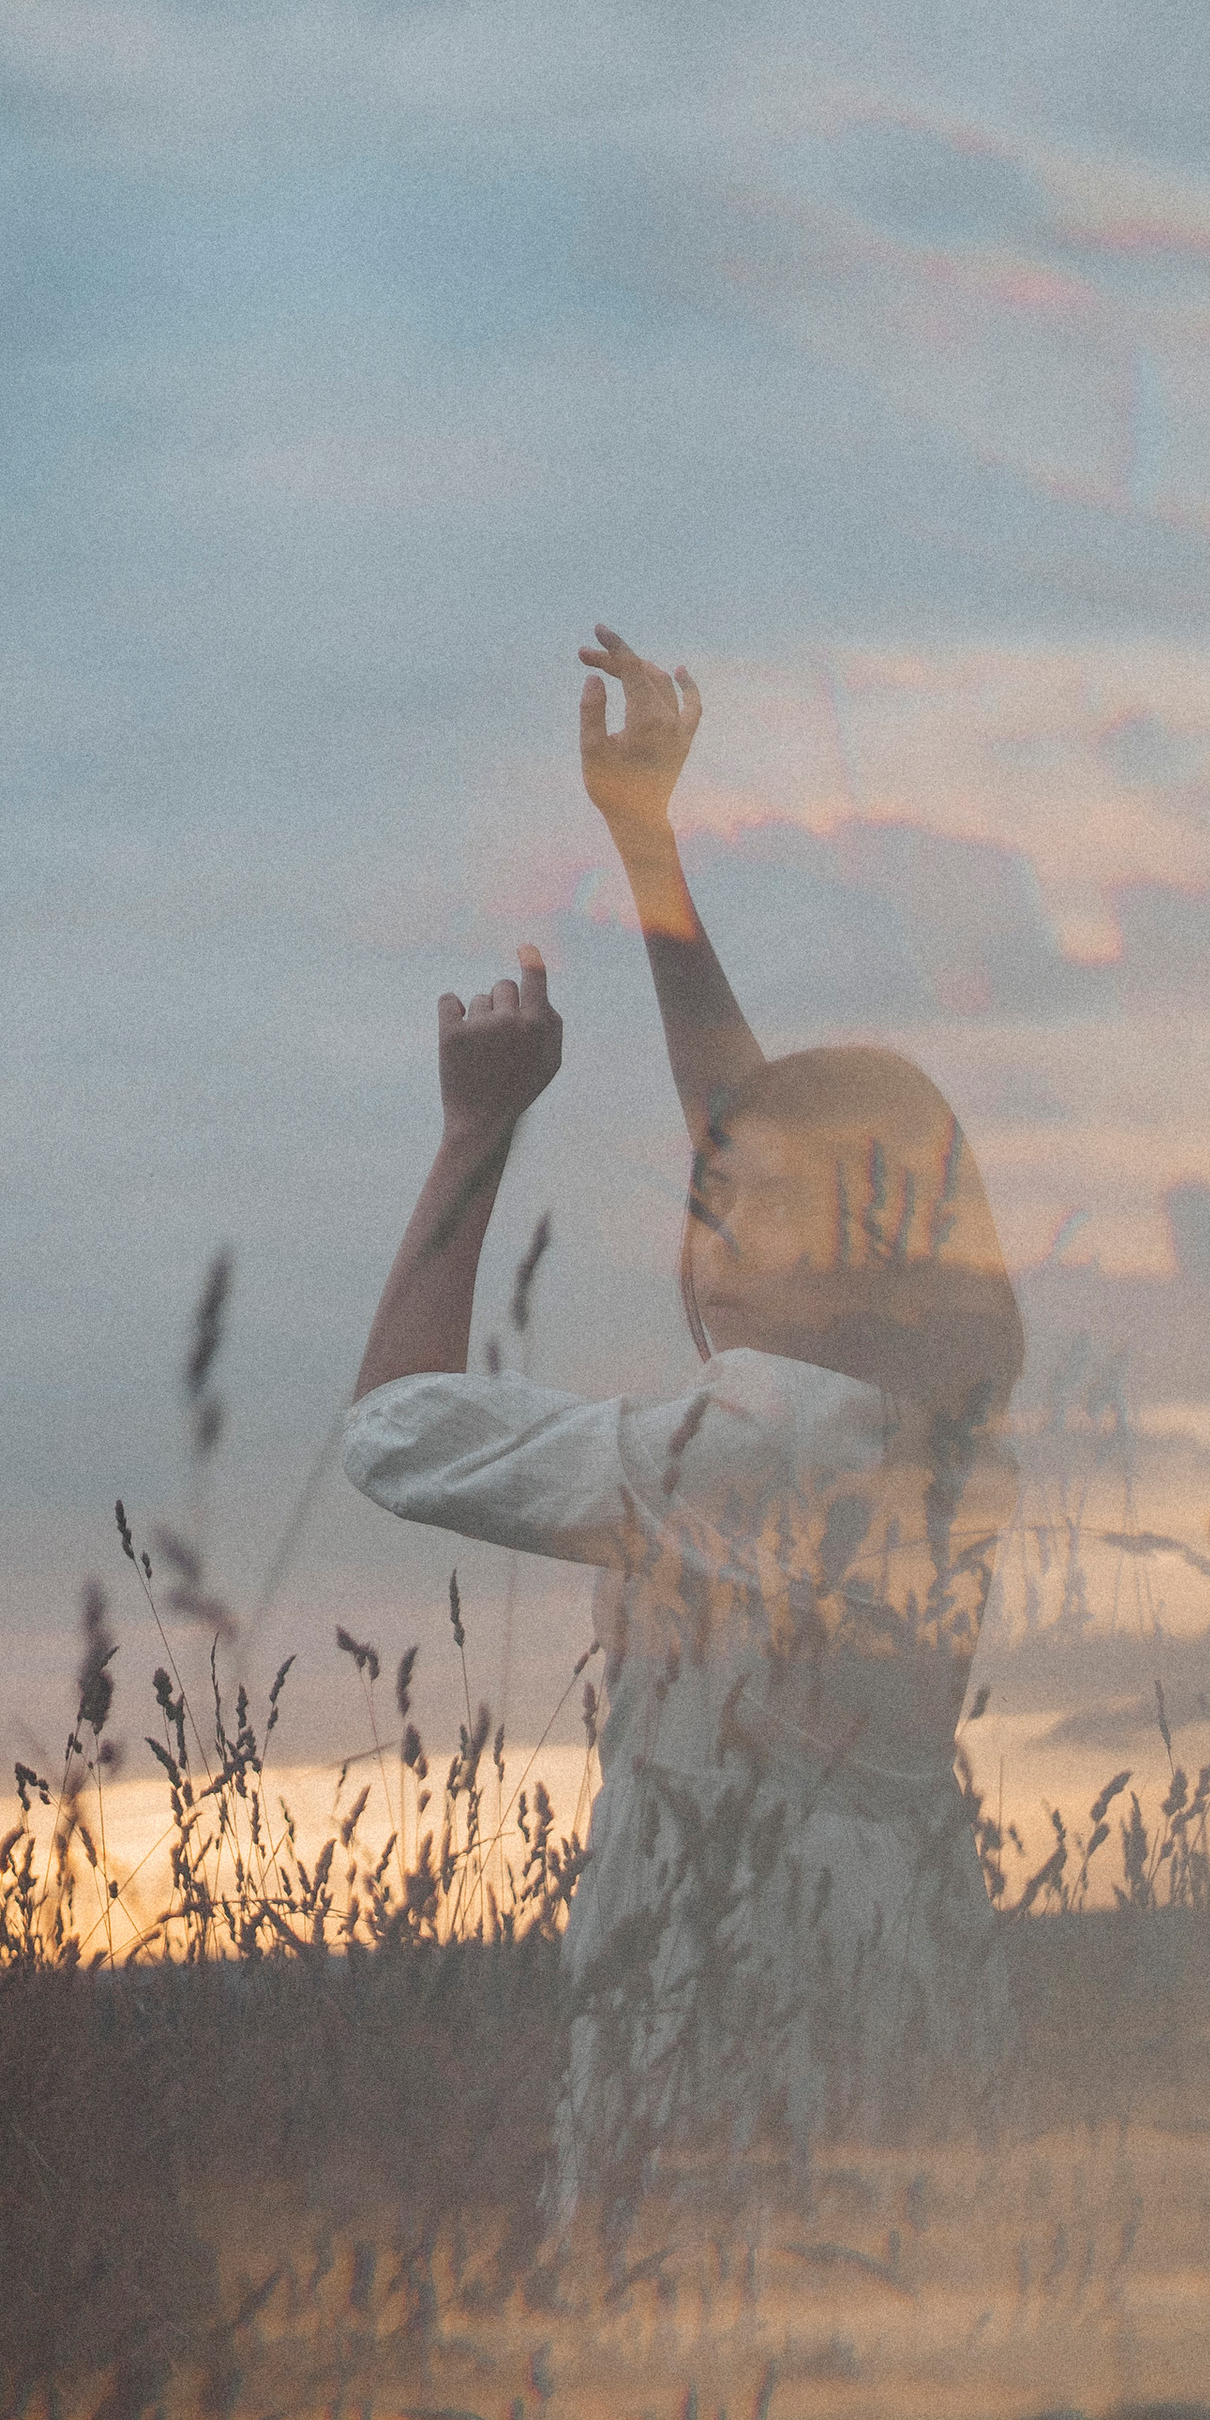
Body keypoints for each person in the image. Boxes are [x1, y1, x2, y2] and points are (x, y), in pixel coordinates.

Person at [342, 627, 1022, 2232]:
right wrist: (646, 850)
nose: (699, 1209)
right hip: (907, 1928)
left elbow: (393, 1432)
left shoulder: (742, 1449)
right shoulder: (927, 1417)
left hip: (739, 1951)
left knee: (710, 2336)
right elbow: (758, 1124)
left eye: (732, 1205)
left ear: (838, 1249)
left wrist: (475, 1133)